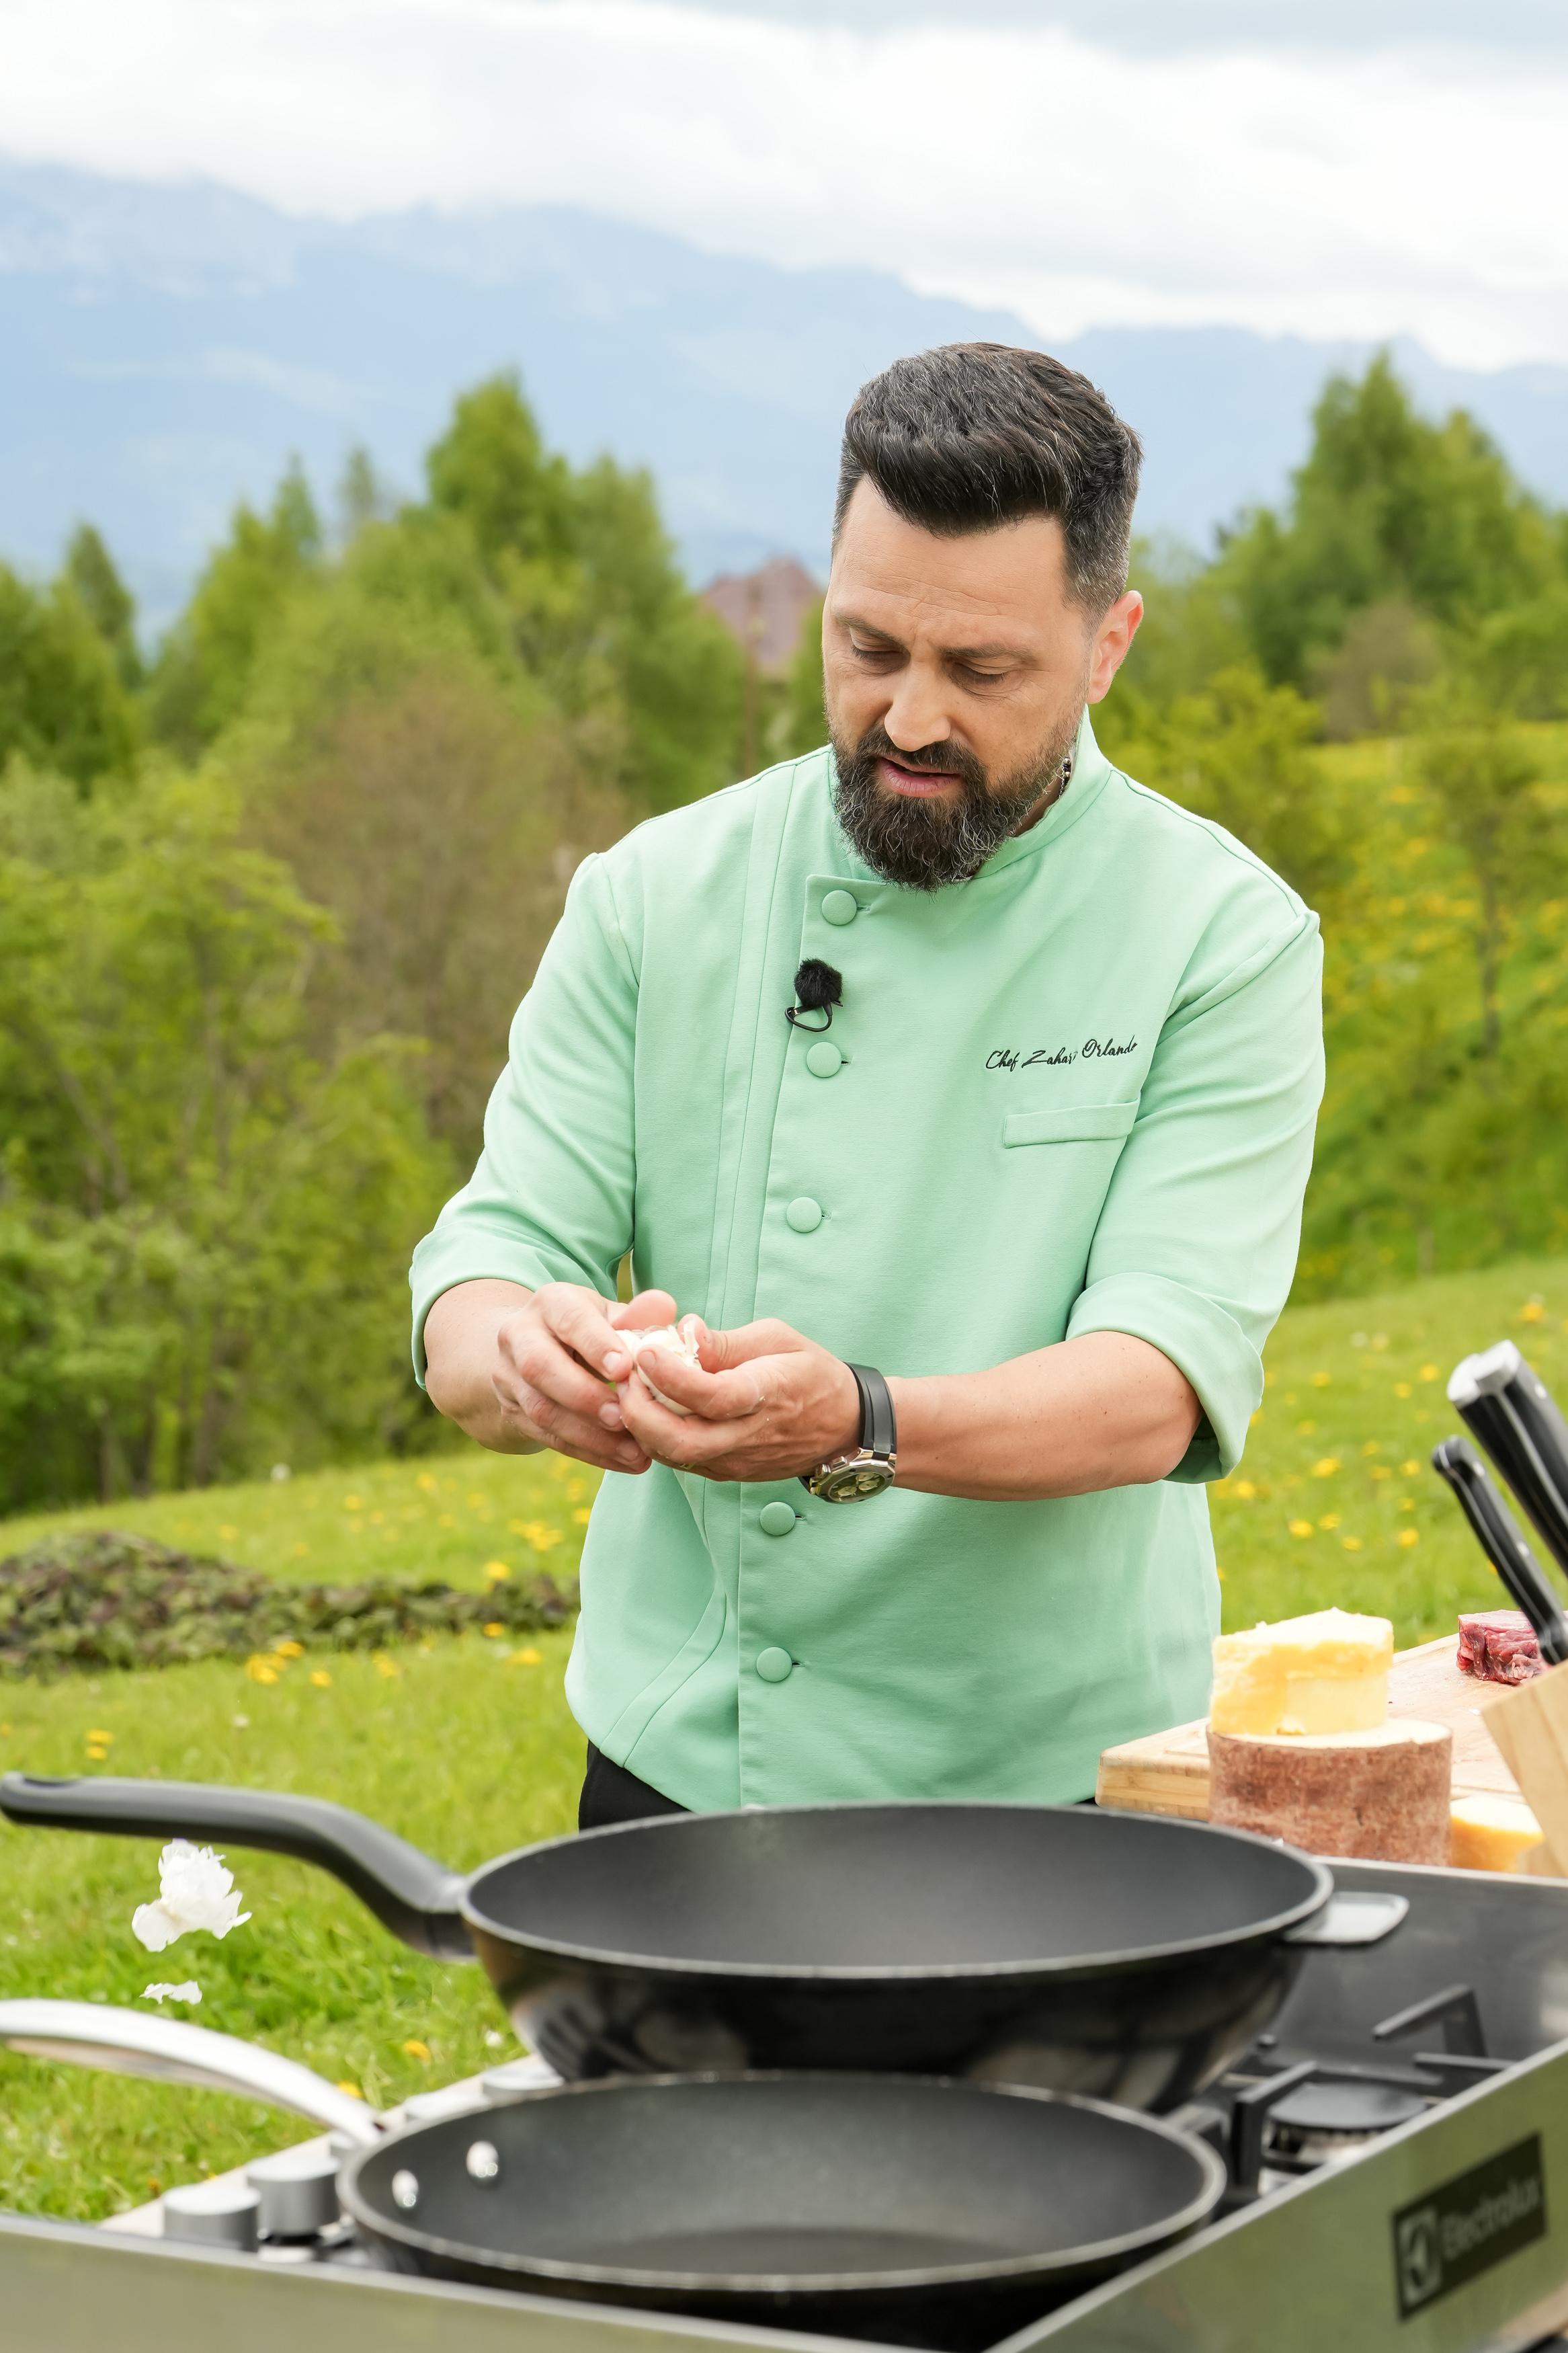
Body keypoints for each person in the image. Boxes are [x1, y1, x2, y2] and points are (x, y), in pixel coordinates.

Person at [412, 342, 1323, 1832]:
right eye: (868, 647)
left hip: (1067, 1788)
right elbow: (487, 1260)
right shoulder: (653, 895)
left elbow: (1155, 1385)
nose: (906, 718)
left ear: (1107, 645)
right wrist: (523, 1356)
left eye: (981, 672)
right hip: (685, 1769)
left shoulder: (1220, 937)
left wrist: (858, 1419)